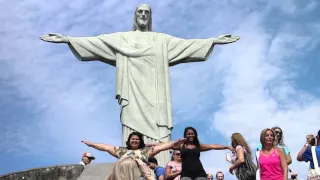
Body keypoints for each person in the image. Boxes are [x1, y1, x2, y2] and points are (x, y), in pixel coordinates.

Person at [40, 3, 240, 166]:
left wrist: (212, 41)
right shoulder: (122, 38)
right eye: (140, 11)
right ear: (135, 16)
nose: (143, 15)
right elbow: (98, 43)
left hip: (156, 96)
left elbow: (186, 45)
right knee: (132, 129)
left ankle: (158, 167)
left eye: (147, 12)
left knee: (159, 132)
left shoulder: (161, 40)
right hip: (132, 93)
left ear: (150, 17)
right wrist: (68, 39)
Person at [81, 132, 186, 163]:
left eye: (137, 139)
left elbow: (161, 147)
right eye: (133, 139)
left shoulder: (145, 151)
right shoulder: (122, 151)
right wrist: (92, 144)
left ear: (140, 142)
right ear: (129, 141)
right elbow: (106, 147)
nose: (135, 140)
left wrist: (175, 143)